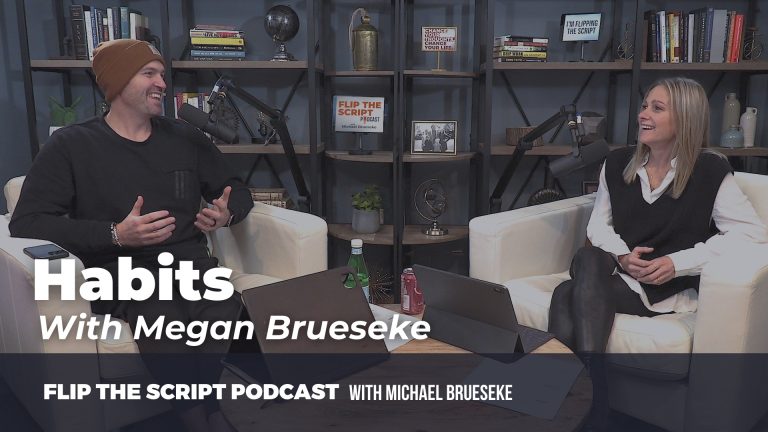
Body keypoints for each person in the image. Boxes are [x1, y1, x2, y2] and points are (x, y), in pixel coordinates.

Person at [10, 39, 253, 432]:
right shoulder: (70, 145)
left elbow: (236, 190)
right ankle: (199, 418)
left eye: (162, 74)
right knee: (161, 316)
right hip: (120, 271)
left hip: (190, 266)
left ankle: (209, 410)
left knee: (226, 309)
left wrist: (226, 213)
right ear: (119, 82)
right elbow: (27, 222)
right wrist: (116, 234)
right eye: (149, 73)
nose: (162, 83)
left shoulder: (185, 138)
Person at [547, 77, 767, 430]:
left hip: (667, 289)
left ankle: (572, 404)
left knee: (565, 292)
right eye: (644, 106)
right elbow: (598, 226)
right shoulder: (618, 162)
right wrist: (623, 257)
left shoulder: (709, 170)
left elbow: (752, 234)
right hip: (621, 275)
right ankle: (592, 402)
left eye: (657, 108)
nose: (643, 114)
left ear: (685, 118)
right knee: (587, 258)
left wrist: (677, 263)